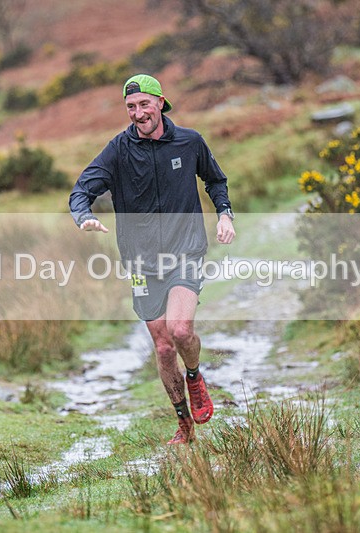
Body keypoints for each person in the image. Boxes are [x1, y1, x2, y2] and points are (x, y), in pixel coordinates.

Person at [69, 74, 235, 444]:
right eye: (131, 106)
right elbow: (81, 189)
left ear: (161, 102)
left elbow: (215, 180)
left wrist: (225, 213)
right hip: (141, 260)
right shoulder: (118, 150)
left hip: (186, 250)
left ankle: (194, 376)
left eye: (144, 104)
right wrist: (85, 216)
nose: (138, 113)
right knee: (162, 347)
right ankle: (184, 424)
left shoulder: (190, 142)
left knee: (179, 331)